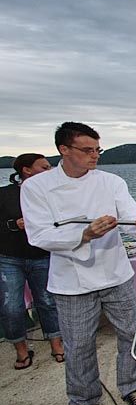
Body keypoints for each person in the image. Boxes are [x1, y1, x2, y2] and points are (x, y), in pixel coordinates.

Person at [21, 122, 136, 405]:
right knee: (78, 343)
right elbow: (38, 235)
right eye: (87, 150)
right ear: (63, 150)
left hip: (115, 272)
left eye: (98, 149)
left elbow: (129, 212)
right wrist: (84, 233)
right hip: (71, 279)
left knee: (130, 333)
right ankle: (82, 399)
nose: (95, 155)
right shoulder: (36, 188)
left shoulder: (111, 182)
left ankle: (133, 387)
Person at [0, 154, 63, 369]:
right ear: (27, 170)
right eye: (44, 167)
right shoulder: (5, 195)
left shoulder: (51, 196)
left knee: (47, 302)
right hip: (10, 258)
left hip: (42, 256)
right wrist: (13, 225)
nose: (50, 170)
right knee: (11, 307)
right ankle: (21, 350)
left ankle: (56, 344)